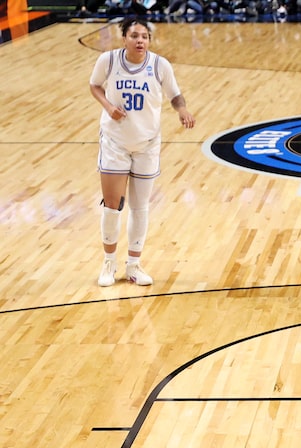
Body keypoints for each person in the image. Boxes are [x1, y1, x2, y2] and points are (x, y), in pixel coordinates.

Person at [89, 17, 194, 287]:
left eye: (144, 37)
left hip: (147, 144)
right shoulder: (108, 61)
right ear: (124, 38)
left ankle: (134, 266)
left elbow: (174, 94)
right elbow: (94, 85)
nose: (140, 41)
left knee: (140, 207)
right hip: (115, 142)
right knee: (112, 205)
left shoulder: (160, 65)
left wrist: (182, 110)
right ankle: (109, 263)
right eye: (135, 36)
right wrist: (108, 107)